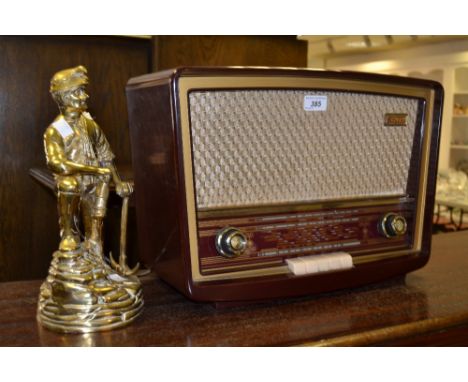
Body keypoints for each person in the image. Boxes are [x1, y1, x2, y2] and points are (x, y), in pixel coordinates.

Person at [43, 65, 133, 255]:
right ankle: (68, 234)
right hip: (74, 185)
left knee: (95, 235)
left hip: (94, 185)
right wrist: (93, 170)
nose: (85, 96)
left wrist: (118, 182)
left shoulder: (90, 125)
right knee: (67, 185)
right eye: (79, 91)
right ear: (65, 97)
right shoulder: (55, 131)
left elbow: (105, 154)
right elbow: (57, 164)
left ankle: (96, 257)